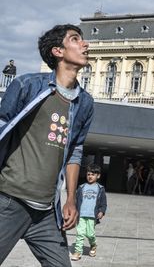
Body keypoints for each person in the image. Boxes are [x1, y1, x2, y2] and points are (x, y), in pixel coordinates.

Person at [0, 24, 94, 265]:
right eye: (75, 39)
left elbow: (75, 151)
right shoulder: (27, 86)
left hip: (46, 213)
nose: (85, 44)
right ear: (57, 51)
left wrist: (71, 199)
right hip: (10, 201)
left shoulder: (84, 103)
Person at [71, 164, 107, 261]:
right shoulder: (81, 187)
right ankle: (78, 252)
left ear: (98, 176)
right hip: (81, 215)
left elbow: (103, 203)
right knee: (80, 233)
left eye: (92, 174)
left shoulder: (100, 189)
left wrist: (102, 211)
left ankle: (93, 245)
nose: (90, 176)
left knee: (90, 234)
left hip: (92, 216)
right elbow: (76, 201)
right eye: (88, 174)